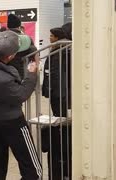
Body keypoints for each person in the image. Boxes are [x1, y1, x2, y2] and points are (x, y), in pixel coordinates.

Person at [0, 31, 42, 180]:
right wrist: (32, 71)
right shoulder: (2, 80)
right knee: (32, 169)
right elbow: (22, 94)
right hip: (12, 121)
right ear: (10, 57)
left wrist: (28, 47)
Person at [42, 27, 72, 180]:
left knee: (59, 118)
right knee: (62, 117)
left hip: (58, 94)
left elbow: (53, 74)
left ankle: (61, 135)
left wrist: (49, 90)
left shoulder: (58, 51)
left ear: (58, 37)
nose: (49, 38)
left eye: (51, 36)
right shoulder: (65, 49)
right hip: (62, 93)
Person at [7, 14, 37, 80]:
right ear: (19, 26)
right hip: (20, 69)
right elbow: (33, 52)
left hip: (3, 70)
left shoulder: (1, 37)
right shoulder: (26, 38)